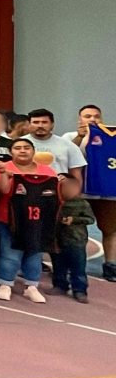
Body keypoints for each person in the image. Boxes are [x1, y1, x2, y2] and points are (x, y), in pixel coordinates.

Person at [0, 138, 58, 303]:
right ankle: (6, 284)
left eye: (26, 148)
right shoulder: (4, 167)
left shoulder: (48, 171)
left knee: (34, 253)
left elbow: (54, 197)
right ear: (11, 152)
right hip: (9, 219)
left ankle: (31, 286)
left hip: (38, 220)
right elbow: (2, 190)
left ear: (33, 151)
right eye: (18, 148)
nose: (22, 151)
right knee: (10, 253)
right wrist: (4, 175)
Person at [68, 105, 116, 281]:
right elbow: (66, 155)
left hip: (105, 191)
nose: (92, 119)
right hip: (79, 192)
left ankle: (110, 265)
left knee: (110, 229)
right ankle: (73, 266)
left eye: (96, 116)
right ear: (79, 119)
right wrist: (80, 137)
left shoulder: (111, 136)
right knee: (75, 231)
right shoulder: (69, 137)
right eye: (87, 116)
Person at [49, 176, 93, 303]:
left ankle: (80, 290)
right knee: (58, 264)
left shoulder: (82, 204)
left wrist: (74, 220)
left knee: (78, 267)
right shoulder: (55, 201)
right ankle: (59, 285)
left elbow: (90, 219)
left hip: (76, 240)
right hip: (57, 238)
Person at [24, 109, 86, 181]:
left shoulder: (69, 146)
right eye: (36, 122)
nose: (40, 126)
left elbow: (76, 177)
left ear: (52, 124)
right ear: (29, 124)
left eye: (44, 122)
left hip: (59, 187)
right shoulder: (17, 145)